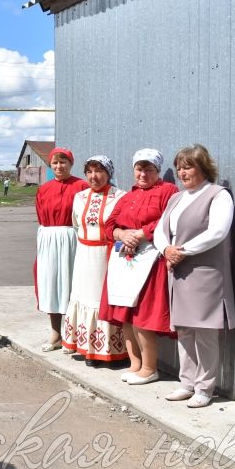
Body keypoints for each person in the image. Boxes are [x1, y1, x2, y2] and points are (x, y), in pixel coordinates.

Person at [154, 145, 235, 408]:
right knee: (185, 329)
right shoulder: (176, 198)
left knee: (205, 331)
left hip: (204, 273)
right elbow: (160, 230)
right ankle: (187, 382)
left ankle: (205, 387)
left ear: (203, 167)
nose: (181, 172)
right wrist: (165, 249)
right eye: (179, 166)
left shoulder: (217, 195)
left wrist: (181, 252)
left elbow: (217, 232)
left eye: (187, 166)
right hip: (178, 271)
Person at [99, 148, 178, 385]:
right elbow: (108, 226)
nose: (143, 173)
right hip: (124, 260)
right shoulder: (127, 197)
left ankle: (150, 367)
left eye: (149, 169)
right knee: (126, 315)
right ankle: (135, 364)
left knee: (143, 315)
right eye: (139, 168)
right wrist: (122, 233)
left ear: (157, 171)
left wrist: (141, 234)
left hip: (150, 260)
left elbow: (168, 220)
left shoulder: (168, 192)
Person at [60, 155, 127, 365]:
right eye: (89, 172)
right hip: (83, 255)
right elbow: (76, 225)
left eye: (99, 171)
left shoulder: (120, 197)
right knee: (83, 296)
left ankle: (108, 351)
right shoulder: (79, 197)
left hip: (105, 256)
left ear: (109, 173)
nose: (93, 176)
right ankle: (86, 346)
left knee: (101, 299)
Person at [35, 147, 88, 352]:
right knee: (51, 285)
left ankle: (73, 334)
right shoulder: (44, 189)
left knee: (72, 284)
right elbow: (40, 216)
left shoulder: (81, 187)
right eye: (55, 163)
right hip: (49, 239)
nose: (59, 166)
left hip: (71, 238)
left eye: (63, 162)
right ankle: (56, 333)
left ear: (71, 164)